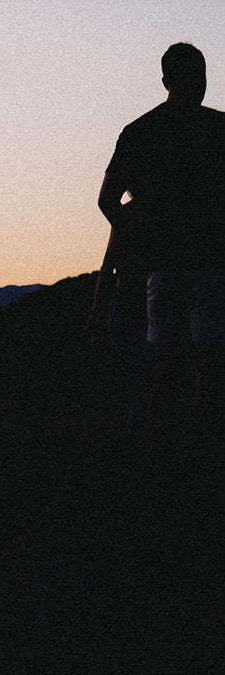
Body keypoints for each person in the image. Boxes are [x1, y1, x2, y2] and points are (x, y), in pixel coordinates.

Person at [96, 43, 225, 444]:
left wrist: (141, 238)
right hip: (212, 263)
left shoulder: (139, 132)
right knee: (210, 363)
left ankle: (161, 453)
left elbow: (106, 200)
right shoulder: (219, 129)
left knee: (164, 366)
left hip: (162, 266)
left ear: (165, 80)